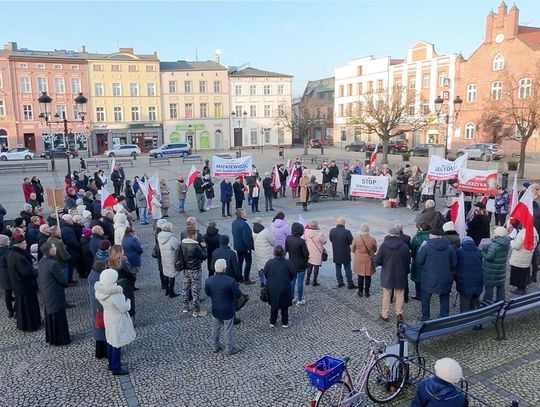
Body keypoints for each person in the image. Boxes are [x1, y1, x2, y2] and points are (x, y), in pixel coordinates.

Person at [94, 268, 136, 376]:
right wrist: (128, 301)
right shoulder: (115, 294)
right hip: (117, 320)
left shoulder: (100, 291)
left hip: (108, 317)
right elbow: (124, 308)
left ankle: (111, 364)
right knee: (117, 343)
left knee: (111, 341)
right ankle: (116, 368)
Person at [417, 230, 457, 321]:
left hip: (429, 277)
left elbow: (419, 261)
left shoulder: (426, 247)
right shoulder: (449, 247)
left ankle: (426, 316)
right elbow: (454, 263)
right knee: (444, 297)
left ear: (430, 236)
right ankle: (444, 316)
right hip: (445, 277)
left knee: (426, 298)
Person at [205, 259, 243, 355]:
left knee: (215, 328)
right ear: (224, 269)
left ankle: (215, 346)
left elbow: (208, 293)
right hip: (228, 309)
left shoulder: (209, 280)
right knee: (228, 329)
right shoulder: (230, 281)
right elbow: (238, 294)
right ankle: (229, 348)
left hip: (215, 309)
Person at [374, 227, 411, 322]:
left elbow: (377, 260)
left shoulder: (384, 246)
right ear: (399, 235)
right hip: (401, 273)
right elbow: (408, 260)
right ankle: (399, 314)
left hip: (388, 273)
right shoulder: (404, 246)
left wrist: (384, 264)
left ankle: (385, 315)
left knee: (387, 294)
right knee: (400, 294)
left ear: (389, 234)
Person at [38, 242, 71, 345]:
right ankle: (61, 339)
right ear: (50, 251)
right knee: (58, 316)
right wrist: (65, 284)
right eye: (53, 247)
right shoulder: (53, 264)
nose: (55, 248)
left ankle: (53, 337)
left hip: (47, 292)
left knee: (51, 315)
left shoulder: (42, 261)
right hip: (55, 292)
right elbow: (61, 279)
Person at [7, 233, 41, 331]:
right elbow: (26, 272)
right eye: (24, 242)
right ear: (19, 244)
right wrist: (36, 272)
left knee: (23, 308)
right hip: (25, 286)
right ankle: (31, 325)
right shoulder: (19, 257)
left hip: (19, 285)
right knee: (28, 308)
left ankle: (25, 324)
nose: (26, 244)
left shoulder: (12, 254)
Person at [264, 245, 295, 328]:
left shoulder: (269, 262)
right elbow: (292, 275)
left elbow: (265, 274)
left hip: (272, 287)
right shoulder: (288, 263)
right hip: (285, 286)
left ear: (274, 253)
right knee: (284, 306)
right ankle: (285, 322)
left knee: (274, 305)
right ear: (283, 253)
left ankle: (272, 322)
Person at [179, 227, 208, 317]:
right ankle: (196, 310)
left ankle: (185, 307)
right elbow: (204, 256)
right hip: (195, 269)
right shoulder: (195, 246)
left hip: (186, 269)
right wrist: (204, 247)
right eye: (196, 234)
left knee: (186, 288)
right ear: (193, 235)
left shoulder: (182, 244)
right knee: (196, 290)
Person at [509, 225, 539, 295]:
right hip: (528, 256)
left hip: (520, 257)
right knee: (524, 272)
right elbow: (537, 240)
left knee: (518, 273)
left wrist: (512, 241)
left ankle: (520, 289)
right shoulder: (533, 229)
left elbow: (516, 246)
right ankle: (524, 286)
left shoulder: (523, 233)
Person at [108, 245, 136, 319]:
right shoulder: (123, 262)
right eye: (122, 250)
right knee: (128, 300)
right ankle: (131, 317)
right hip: (125, 284)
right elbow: (129, 273)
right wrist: (133, 279)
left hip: (115, 284)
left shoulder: (109, 262)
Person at [285, 222, 309, 305]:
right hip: (301, 263)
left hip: (292, 262)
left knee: (292, 281)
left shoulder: (288, 238)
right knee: (300, 281)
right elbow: (306, 254)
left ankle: (292, 298)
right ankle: (300, 299)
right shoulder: (301, 241)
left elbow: (287, 249)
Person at [87, 260, 107, 359]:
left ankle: (100, 352)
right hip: (100, 308)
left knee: (98, 329)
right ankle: (106, 352)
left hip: (95, 308)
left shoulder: (92, 277)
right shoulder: (99, 280)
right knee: (103, 329)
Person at [351, 224, 378, 298]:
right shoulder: (372, 239)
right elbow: (375, 249)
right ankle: (367, 292)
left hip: (359, 259)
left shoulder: (356, 239)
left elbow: (353, 249)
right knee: (368, 276)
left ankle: (360, 291)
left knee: (360, 276)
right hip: (368, 259)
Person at [329, 217, 356, 289]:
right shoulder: (347, 232)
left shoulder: (332, 231)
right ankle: (350, 283)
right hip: (345, 253)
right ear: (344, 223)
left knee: (338, 268)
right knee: (347, 268)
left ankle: (340, 282)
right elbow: (351, 242)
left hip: (336, 252)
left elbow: (331, 239)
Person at [232, 208, 255, 284]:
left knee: (240, 261)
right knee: (248, 262)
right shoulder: (244, 224)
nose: (246, 213)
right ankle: (246, 278)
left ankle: (239, 277)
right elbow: (247, 238)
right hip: (244, 247)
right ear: (242, 214)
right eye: (245, 212)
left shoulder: (234, 222)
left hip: (237, 246)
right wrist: (249, 247)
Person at [158, 222, 181, 298]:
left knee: (166, 274)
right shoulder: (171, 238)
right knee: (172, 275)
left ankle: (167, 290)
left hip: (164, 258)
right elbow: (177, 247)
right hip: (171, 258)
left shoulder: (160, 237)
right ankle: (171, 292)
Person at [252, 218, 275, 287]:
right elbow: (272, 242)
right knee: (267, 268)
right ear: (260, 222)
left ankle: (262, 282)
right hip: (267, 253)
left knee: (260, 268)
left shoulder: (253, 231)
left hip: (258, 252)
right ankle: (267, 283)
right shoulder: (265, 231)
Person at [304, 219, 327, 287]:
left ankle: (307, 280)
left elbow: (304, 239)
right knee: (316, 267)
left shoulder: (306, 231)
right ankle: (314, 281)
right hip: (317, 253)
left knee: (309, 266)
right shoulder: (319, 233)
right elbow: (324, 242)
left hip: (309, 252)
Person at [0, 235, 13, 318]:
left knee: (7, 292)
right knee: (12, 291)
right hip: (9, 274)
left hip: (2, 274)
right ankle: (13, 310)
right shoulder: (7, 252)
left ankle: (10, 310)